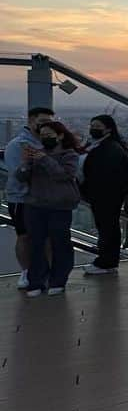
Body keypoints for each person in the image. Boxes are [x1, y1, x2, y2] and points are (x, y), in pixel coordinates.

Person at [17, 118, 81, 296]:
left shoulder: (69, 155)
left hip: (59, 207)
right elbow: (21, 177)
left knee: (60, 243)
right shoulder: (36, 154)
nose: (45, 138)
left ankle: (58, 280)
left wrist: (44, 159)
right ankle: (36, 281)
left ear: (60, 136)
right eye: (42, 135)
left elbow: (64, 175)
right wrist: (26, 164)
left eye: (49, 135)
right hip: (35, 205)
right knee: (36, 244)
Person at [4, 104, 56, 289]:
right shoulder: (18, 145)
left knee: (48, 237)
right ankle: (26, 272)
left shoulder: (49, 143)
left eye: (49, 122)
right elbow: (16, 174)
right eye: (41, 121)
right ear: (30, 121)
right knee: (24, 236)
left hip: (45, 198)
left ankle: (47, 271)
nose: (45, 126)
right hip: (23, 198)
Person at [81, 114, 128, 276]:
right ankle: (108, 261)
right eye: (92, 125)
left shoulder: (108, 148)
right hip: (108, 195)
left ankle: (105, 262)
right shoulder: (108, 146)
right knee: (109, 228)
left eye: (97, 126)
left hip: (105, 195)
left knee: (107, 228)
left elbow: (102, 173)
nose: (93, 129)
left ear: (108, 128)